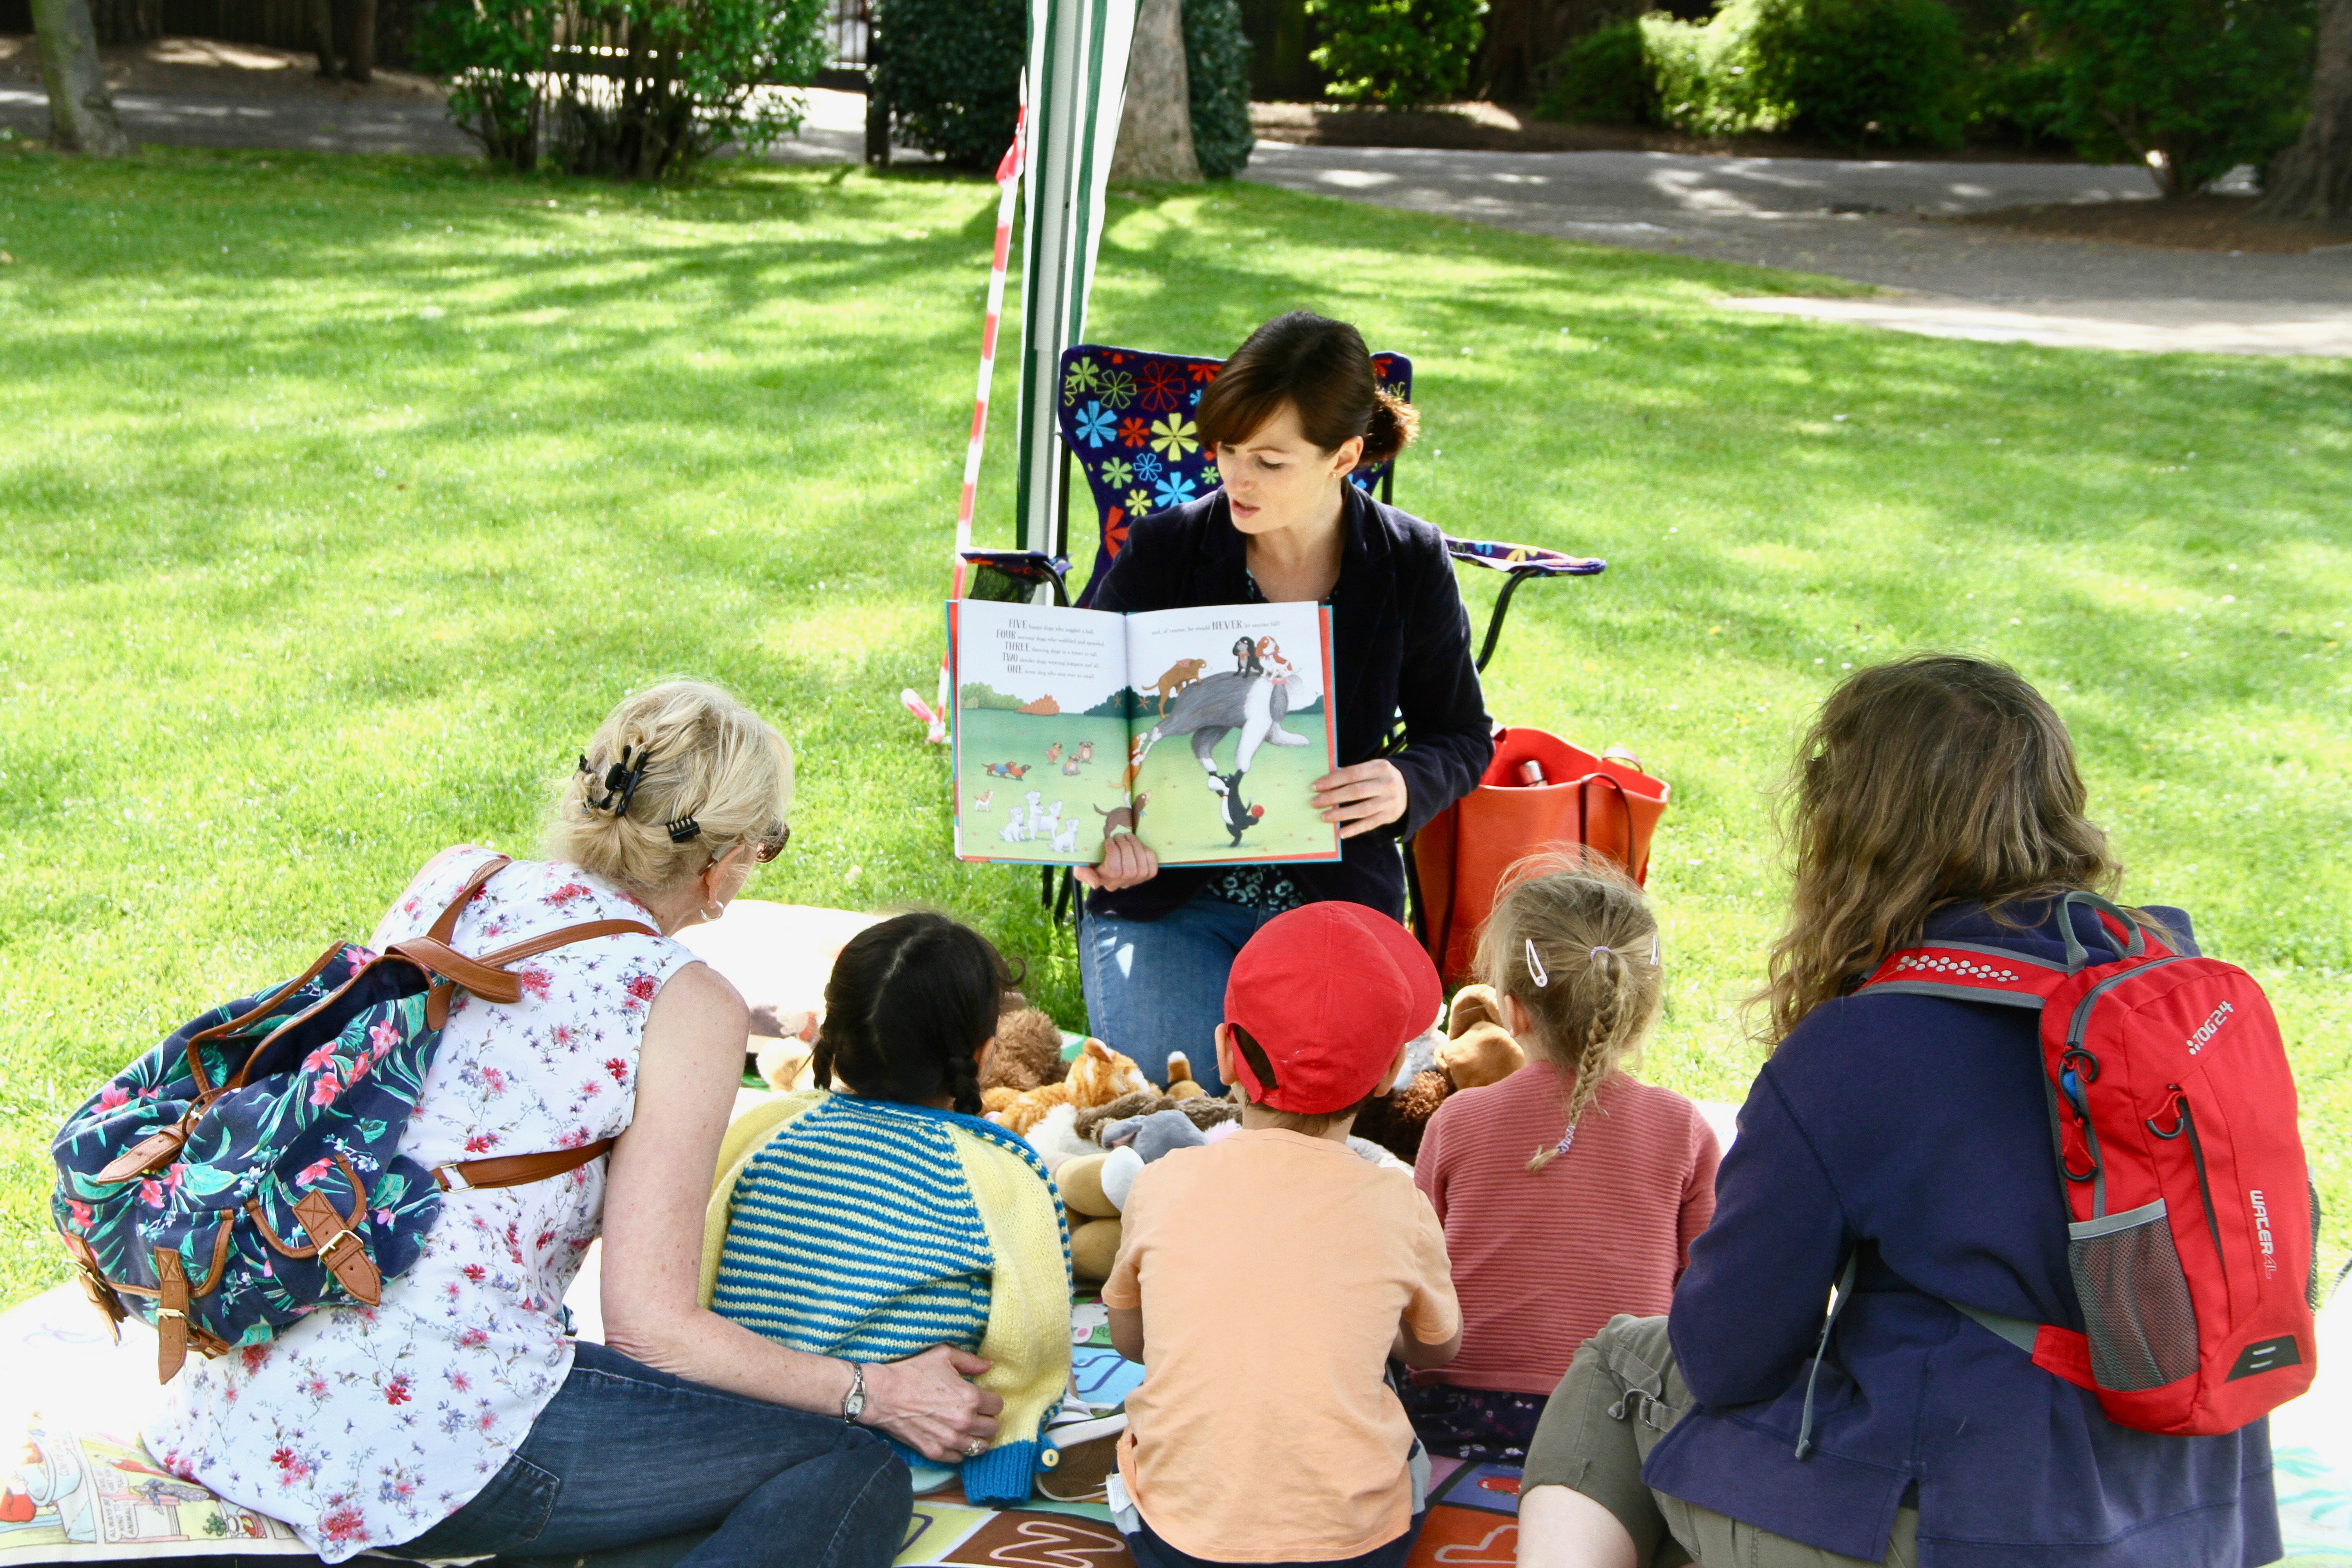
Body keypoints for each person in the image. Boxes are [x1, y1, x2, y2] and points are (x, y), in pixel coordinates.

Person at [144, 681, 1001, 1568]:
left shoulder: (457, 881)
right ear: (726, 858)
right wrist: (877, 1392)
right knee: (844, 1470)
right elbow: (650, 1329)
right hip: (427, 1442)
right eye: (768, 845)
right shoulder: (686, 1001)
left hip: (242, 1392)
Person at [1516, 655, 2281, 1568]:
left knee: (1622, 1368)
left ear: (1852, 829)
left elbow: (1727, 1358)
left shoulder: (1863, 1047)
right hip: (2198, 1515)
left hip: (1983, 1525)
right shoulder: (2175, 984)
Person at [1077, 311, 1494, 1095]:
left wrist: (1407, 784)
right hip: (1165, 898)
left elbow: (1463, 734)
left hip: (1335, 901)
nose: (1236, 479)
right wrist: (1098, 832)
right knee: (1186, 1115)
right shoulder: (1167, 548)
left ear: (1345, 456)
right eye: (1227, 451)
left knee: (1322, 1118)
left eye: (1269, 461)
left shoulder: (1409, 560)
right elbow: (1089, 718)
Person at [1101, 901, 1463, 1568]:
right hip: (1355, 1548)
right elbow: (1439, 1348)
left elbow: (1132, 1342)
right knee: (1400, 1433)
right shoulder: (1397, 1201)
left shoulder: (1162, 1183)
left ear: (1225, 1055)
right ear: (1389, 1076)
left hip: (1178, 1540)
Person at [704, 911, 1073, 1506]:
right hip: (904, 1449)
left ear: (831, 1032)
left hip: (746, 1420)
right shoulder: (1000, 1171)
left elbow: (698, 1258)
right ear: (982, 1057)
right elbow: (1033, 1333)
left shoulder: (763, 1131)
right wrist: (1006, 1453)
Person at [1404, 853, 1718, 1465]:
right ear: (1641, 1008)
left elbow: (1416, 1273)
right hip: (1618, 1424)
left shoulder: (1458, 1120)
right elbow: (1706, 1294)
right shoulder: (1683, 1128)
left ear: (1512, 1010)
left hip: (1456, 1416)